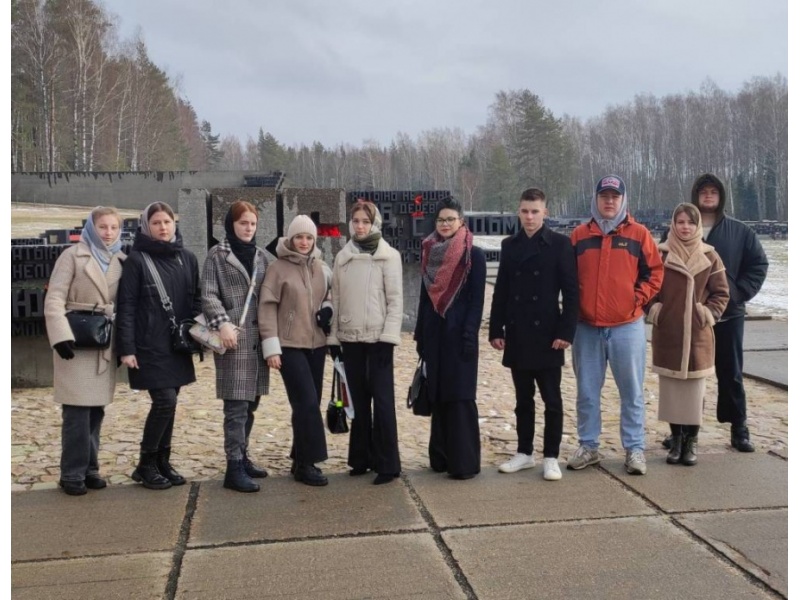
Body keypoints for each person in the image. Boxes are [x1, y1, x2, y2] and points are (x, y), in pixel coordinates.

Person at [568, 175, 663, 475]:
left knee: (632, 392)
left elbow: (655, 273)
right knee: (586, 391)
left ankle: (634, 448)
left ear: (623, 200)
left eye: (615, 196)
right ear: (595, 199)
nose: (609, 201)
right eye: (604, 196)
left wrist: (637, 299)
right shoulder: (579, 236)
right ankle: (588, 445)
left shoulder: (639, 234)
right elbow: (566, 277)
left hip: (626, 327)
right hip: (586, 328)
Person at [489, 188, 578, 481]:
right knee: (523, 400)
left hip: (549, 334)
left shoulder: (560, 244)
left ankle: (551, 456)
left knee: (552, 399)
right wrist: (496, 328)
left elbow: (571, 293)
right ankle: (524, 452)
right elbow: (502, 289)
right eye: (525, 211)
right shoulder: (510, 245)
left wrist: (566, 331)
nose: (529, 217)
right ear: (519, 211)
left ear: (545, 213)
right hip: (518, 332)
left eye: (535, 211)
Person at [117, 202, 201, 490]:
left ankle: (162, 461)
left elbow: (196, 299)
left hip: (177, 345)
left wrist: (196, 331)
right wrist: (127, 348)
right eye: (156, 223)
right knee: (165, 402)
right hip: (149, 345)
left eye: (167, 221)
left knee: (171, 404)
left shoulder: (187, 258)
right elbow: (126, 306)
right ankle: (145, 464)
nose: (163, 227)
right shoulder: (137, 260)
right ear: (146, 226)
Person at [44, 207, 127, 495]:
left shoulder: (121, 260)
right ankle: (72, 473)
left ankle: (90, 468)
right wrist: (60, 336)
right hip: (75, 340)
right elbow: (54, 298)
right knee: (76, 412)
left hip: (103, 341)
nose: (108, 233)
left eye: (113, 227)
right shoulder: (72, 256)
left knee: (95, 411)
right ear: (91, 228)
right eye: (102, 227)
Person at [690, 173, 768, 452]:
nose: (708, 196)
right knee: (690, 375)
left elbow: (758, 265)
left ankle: (739, 428)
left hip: (729, 315)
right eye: (704, 191)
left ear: (721, 196)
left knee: (731, 372)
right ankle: (685, 430)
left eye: (713, 192)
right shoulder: (683, 228)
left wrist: (737, 294)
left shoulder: (740, 231)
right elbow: (665, 268)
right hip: (692, 316)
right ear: (696, 195)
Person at [648, 203, 729, 465]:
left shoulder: (710, 256)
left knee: (695, 392)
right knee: (672, 391)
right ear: (673, 224)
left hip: (697, 335)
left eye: (691, 222)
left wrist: (706, 313)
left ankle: (691, 441)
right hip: (669, 332)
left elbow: (721, 293)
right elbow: (647, 287)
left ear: (698, 226)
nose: (685, 227)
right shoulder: (660, 254)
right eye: (681, 222)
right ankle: (676, 440)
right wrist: (655, 311)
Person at [328, 201, 403, 485]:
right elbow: (335, 299)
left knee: (383, 403)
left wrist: (388, 338)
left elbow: (395, 301)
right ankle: (361, 458)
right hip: (350, 339)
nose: (360, 226)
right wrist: (333, 338)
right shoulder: (342, 257)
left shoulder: (389, 256)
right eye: (356, 221)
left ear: (374, 224)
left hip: (378, 339)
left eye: (365, 221)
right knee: (358, 402)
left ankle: (388, 464)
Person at [201, 201, 271, 493]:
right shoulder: (217, 255)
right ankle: (233, 466)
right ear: (232, 224)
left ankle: (243, 455)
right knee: (236, 406)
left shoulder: (262, 257)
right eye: (243, 223)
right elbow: (208, 294)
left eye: (252, 223)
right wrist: (222, 323)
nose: (248, 228)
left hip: (256, 341)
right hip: (232, 339)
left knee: (251, 403)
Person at [415, 197, 486, 480]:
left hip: (460, 337)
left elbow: (477, 301)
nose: (445, 224)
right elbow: (424, 299)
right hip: (435, 336)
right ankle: (441, 457)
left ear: (461, 222)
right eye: (441, 220)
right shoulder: (429, 252)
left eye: (450, 219)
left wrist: (469, 334)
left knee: (460, 397)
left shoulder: (473, 255)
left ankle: (464, 463)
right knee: (439, 396)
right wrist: (420, 336)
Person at [259, 215, 330, 487]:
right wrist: (271, 347)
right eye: (299, 237)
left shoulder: (320, 267)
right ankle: (307, 464)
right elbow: (267, 307)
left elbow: (329, 296)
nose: (304, 242)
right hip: (289, 346)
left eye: (309, 237)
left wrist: (329, 309)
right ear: (290, 238)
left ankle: (299, 457)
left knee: (309, 404)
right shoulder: (277, 269)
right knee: (306, 402)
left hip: (317, 345)